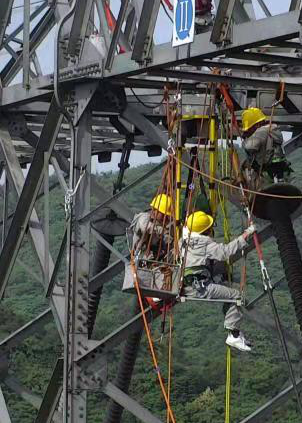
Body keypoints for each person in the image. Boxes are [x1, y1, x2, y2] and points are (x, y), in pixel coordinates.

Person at [180, 210, 256, 351]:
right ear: (206, 230)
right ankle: (233, 334)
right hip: (200, 288)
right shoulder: (204, 244)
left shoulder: (183, 241)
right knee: (236, 296)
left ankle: (234, 331)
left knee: (226, 287)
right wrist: (246, 235)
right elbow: (224, 252)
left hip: (186, 284)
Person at [122, 194, 175, 292]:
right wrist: (163, 232)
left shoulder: (163, 228)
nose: (166, 220)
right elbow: (145, 227)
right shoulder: (143, 217)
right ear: (155, 211)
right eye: (165, 216)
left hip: (153, 266)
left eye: (167, 217)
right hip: (141, 263)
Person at [240, 107, 292, 189]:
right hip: (279, 170)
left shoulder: (262, 131)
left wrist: (245, 140)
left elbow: (249, 146)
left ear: (257, 125)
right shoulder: (272, 130)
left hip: (269, 172)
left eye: (249, 129)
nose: (249, 132)